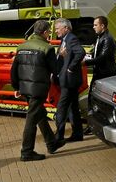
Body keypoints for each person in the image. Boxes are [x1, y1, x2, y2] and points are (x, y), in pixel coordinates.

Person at [11, 20, 59, 160]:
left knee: (40, 114)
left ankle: (52, 143)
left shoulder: (21, 47)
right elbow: (55, 69)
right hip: (38, 89)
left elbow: (14, 70)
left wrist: (17, 87)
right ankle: (26, 152)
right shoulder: (47, 48)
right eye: (49, 32)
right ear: (44, 32)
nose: (49, 34)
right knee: (31, 120)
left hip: (25, 88)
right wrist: (61, 57)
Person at [53, 18, 85, 143]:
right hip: (68, 80)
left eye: (57, 28)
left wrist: (71, 67)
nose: (56, 31)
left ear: (66, 28)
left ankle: (59, 136)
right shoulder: (65, 39)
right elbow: (67, 56)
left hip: (69, 81)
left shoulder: (71, 38)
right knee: (73, 107)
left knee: (61, 108)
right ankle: (77, 133)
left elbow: (80, 52)